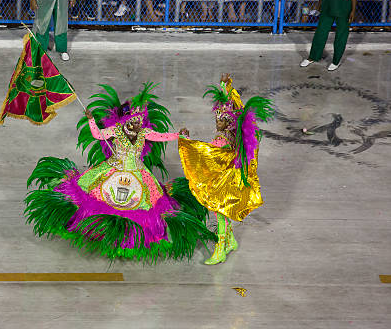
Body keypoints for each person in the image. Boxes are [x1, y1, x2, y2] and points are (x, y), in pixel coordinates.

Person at [25, 83, 216, 261]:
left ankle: (128, 238)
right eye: (133, 121)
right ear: (127, 120)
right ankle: (101, 231)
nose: (137, 125)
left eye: (140, 121)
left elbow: (161, 137)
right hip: (112, 169)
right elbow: (98, 135)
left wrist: (178, 135)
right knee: (97, 199)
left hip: (138, 174)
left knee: (144, 207)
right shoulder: (116, 130)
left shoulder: (144, 133)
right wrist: (91, 120)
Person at [178, 74, 274, 265]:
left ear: (228, 122)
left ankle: (220, 251)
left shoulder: (222, 139)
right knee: (221, 212)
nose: (217, 123)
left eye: (221, 121)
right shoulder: (234, 133)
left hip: (224, 182)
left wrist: (186, 143)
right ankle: (231, 241)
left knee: (220, 213)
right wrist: (225, 88)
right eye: (217, 119)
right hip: (229, 179)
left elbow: (206, 153)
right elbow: (237, 106)